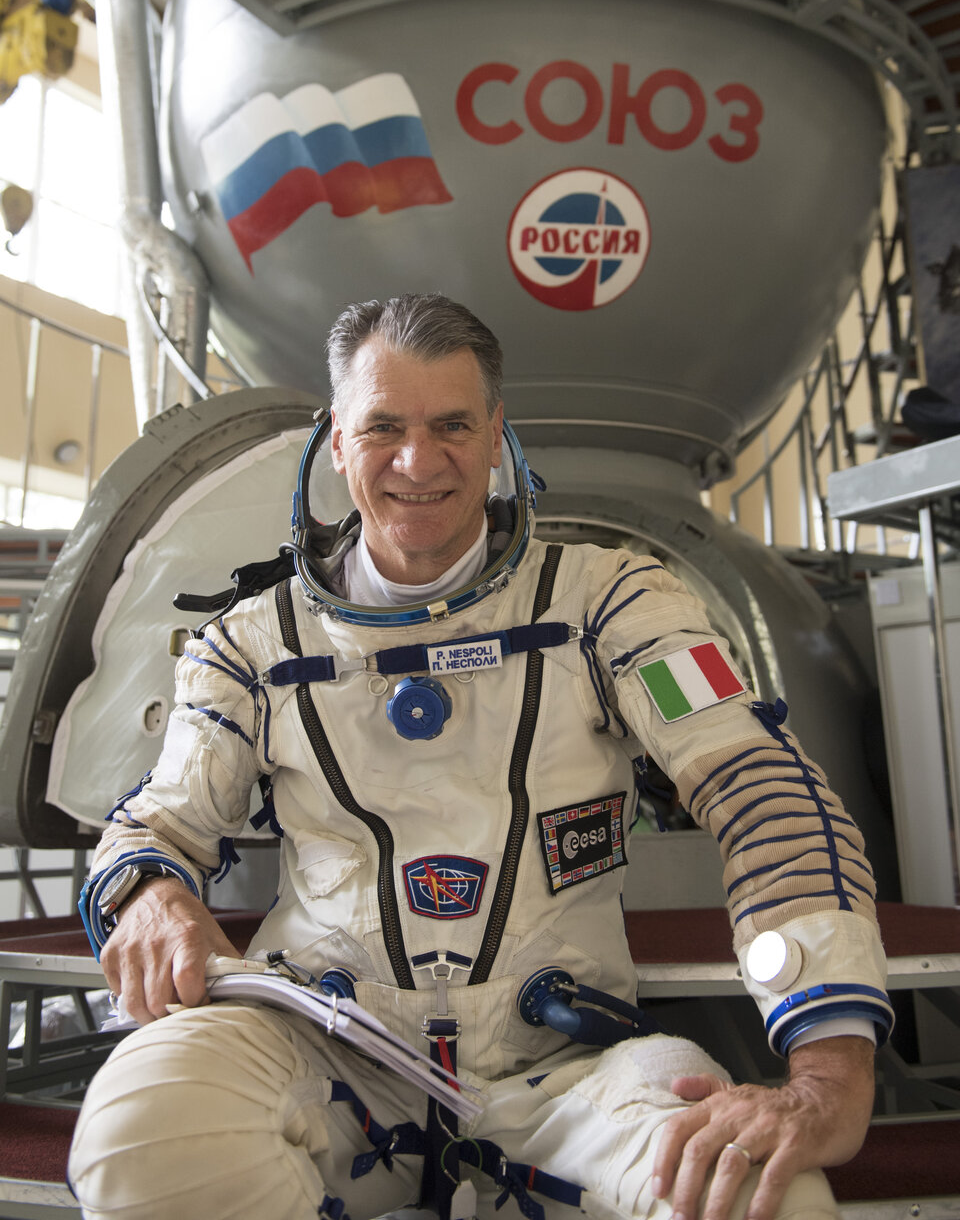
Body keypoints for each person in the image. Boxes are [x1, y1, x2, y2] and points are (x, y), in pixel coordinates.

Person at [69, 293, 890, 1220]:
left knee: (759, 1200)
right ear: (337, 441)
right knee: (144, 1137)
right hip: (322, 1045)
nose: (418, 461)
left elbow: (762, 790)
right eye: (383, 427)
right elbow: (156, 824)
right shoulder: (247, 649)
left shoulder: (615, 605)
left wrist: (827, 1072)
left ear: (497, 435)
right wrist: (147, 894)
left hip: (569, 1072)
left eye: (451, 424)